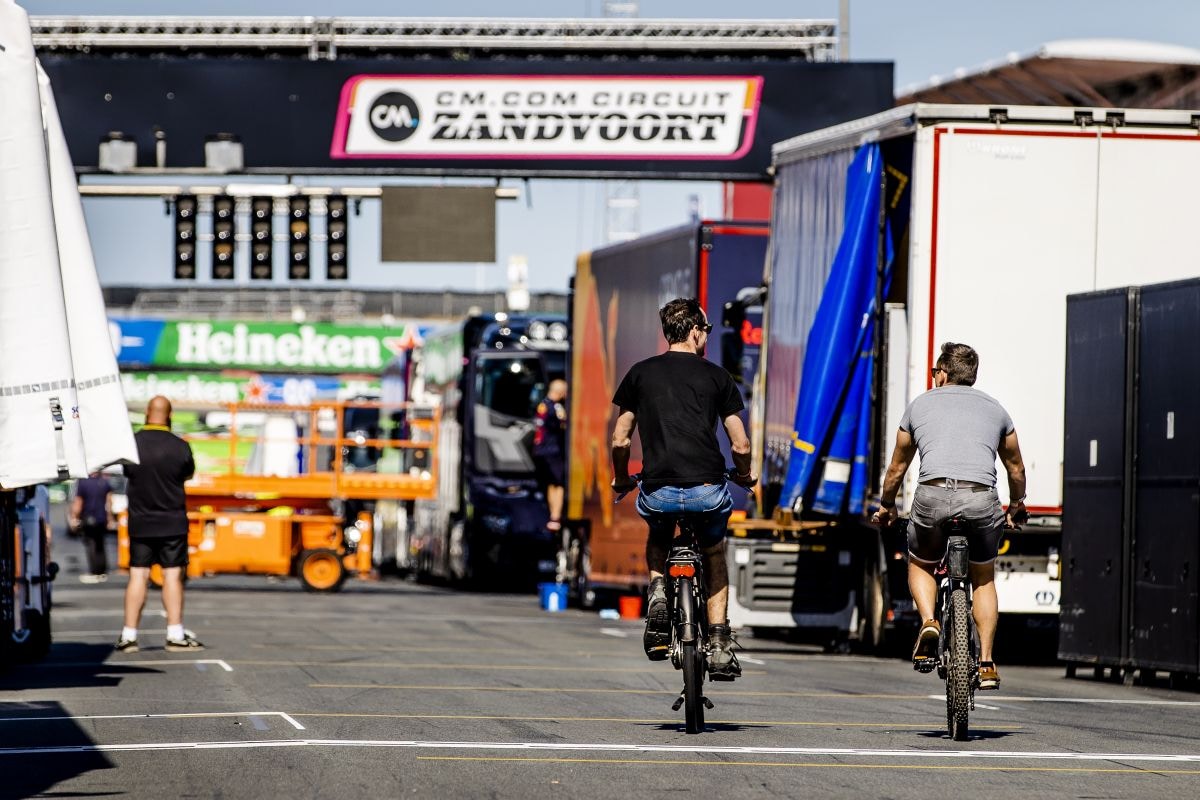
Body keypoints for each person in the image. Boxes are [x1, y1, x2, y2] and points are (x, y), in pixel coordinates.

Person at [611, 298, 756, 679]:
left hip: (657, 487)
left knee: (659, 532)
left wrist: (622, 477)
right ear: (694, 332)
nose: (706, 336)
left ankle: (658, 589)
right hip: (706, 488)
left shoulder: (639, 374)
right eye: (705, 330)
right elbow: (740, 444)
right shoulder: (718, 377)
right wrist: (743, 474)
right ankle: (721, 642)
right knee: (713, 550)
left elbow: (620, 440)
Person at [871, 342, 1027, 691]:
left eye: (934, 372)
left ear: (942, 373)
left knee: (922, 563)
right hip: (980, 499)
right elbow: (1015, 467)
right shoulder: (997, 410)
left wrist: (887, 505)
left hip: (933, 497)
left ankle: (929, 621)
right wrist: (1017, 504)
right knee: (983, 576)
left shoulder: (919, 406)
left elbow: (897, 467)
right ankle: (986, 663)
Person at [116, 396, 203, 653]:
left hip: (140, 522)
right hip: (172, 522)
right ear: (169, 414)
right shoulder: (180, 447)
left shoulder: (132, 444)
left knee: (138, 575)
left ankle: (128, 635)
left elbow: (128, 473)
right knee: (172, 575)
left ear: (147, 413)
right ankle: (175, 633)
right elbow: (188, 474)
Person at [533, 378, 568, 531]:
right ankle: (555, 517)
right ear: (561, 393)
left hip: (540, 451)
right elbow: (564, 424)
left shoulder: (542, 405)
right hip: (553, 451)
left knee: (550, 484)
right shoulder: (557, 407)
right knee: (558, 484)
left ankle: (551, 516)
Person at [71, 470, 113, 583]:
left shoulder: (83, 482)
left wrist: (74, 518)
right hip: (101, 518)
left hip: (89, 518)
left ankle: (95, 571)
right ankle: (102, 570)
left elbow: (78, 502)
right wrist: (110, 518)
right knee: (100, 544)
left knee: (91, 544)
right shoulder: (104, 482)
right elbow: (109, 502)